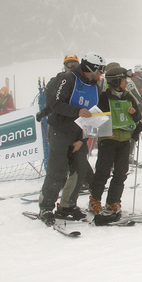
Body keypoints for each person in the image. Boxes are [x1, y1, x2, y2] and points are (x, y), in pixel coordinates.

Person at [37, 52, 105, 226]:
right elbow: (55, 104)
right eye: (99, 70)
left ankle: (67, 205)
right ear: (90, 67)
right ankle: (46, 207)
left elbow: (93, 115)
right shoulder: (68, 79)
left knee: (80, 169)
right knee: (57, 170)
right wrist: (76, 111)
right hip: (60, 129)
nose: (100, 75)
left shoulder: (95, 86)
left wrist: (82, 139)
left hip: (78, 133)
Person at [89, 66, 142, 224]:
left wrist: (135, 113)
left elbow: (137, 115)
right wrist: (105, 131)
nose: (126, 82)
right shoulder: (104, 97)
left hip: (124, 140)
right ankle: (95, 200)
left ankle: (113, 201)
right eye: (124, 80)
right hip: (108, 140)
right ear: (115, 81)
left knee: (121, 172)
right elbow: (98, 117)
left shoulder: (128, 96)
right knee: (103, 172)